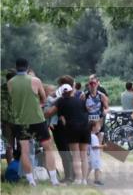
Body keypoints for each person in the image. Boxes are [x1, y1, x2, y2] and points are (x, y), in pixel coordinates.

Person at [5, 58, 60, 186]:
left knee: (24, 150)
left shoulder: (10, 83)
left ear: (16, 67)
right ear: (27, 67)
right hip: (37, 119)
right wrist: (39, 103)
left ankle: (30, 180)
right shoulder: (35, 81)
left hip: (21, 121)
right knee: (48, 148)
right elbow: (44, 98)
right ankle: (54, 180)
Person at [46, 81, 92, 185]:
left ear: (62, 93)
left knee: (75, 155)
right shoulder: (80, 100)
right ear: (72, 91)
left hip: (73, 128)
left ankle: (78, 179)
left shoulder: (61, 101)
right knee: (84, 155)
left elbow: (62, 119)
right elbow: (86, 112)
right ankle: (84, 180)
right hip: (85, 128)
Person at [87, 119, 104, 185]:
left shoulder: (90, 136)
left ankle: (84, 178)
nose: (99, 128)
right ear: (93, 127)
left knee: (90, 167)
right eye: (98, 126)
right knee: (97, 168)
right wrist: (103, 146)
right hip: (94, 156)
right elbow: (94, 146)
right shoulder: (93, 136)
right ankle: (96, 180)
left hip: (91, 155)